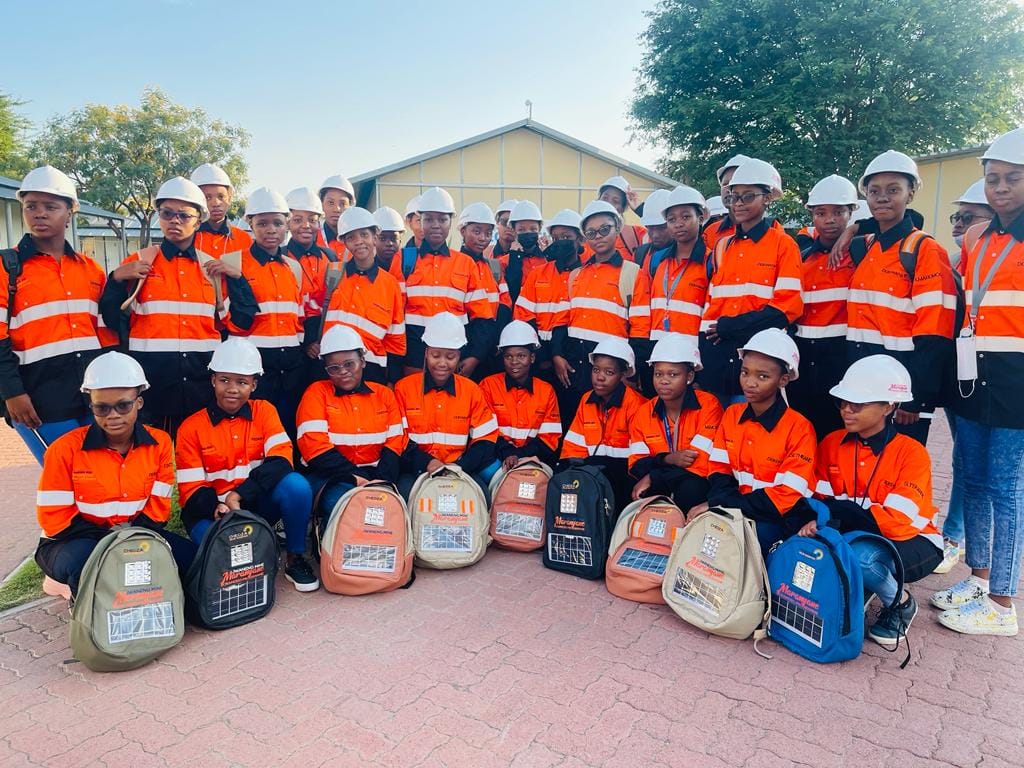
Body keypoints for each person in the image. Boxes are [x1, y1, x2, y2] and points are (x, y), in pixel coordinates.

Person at [932, 127, 1024, 636]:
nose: (1001, 188)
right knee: (974, 480)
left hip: (1017, 380)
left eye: (1012, 179)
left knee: (1007, 488)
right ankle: (979, 579)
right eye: (993, 179)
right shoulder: (976, 238)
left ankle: (1003, 603)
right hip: (972, 374)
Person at [100, 177, 257, 437]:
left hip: (202, 383)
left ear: (198, 220)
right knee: (157, 460)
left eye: (184, 215)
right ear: (159, 216)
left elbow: (240, 321)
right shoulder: (139, 262)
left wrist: (238, 279)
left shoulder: (212, 269)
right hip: (154, 384)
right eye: (167, 213)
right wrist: (116, 279)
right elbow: (111, 318)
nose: (175, 221)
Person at [805, 356, 942, 649]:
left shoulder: (911, 453)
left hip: (915, 541)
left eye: (858, 404)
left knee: (860, 557)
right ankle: (863, 585)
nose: (846, 410)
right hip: (857, 533)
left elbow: (895, 523)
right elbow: (818, 498)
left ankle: (901, 603)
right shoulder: (832, 443)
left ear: (889, 407)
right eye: (843, 402)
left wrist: (838, 516)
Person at [35, 352, 196, 596]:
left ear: (139, 403)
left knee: (194, 562)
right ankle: (64, 585)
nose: (113, 415)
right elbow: (55, 519)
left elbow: (158, 508)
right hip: (71, 541)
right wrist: (111, 542)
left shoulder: (160, 443)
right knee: (93, 568)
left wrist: (130, 540)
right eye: (102, 407)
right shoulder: (64, 450)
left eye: (123, 405)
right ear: (92, 406)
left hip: (136, 531)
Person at [175, 337, 317, 592]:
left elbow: (282, 460)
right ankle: (256, 547)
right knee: (226, 571)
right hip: (211, 512)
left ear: (254, 384)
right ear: (213, 380)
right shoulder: (190, 428)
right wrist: (219, 506)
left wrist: (238, 495)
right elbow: (190, 490)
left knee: (296, 486)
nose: (232, 389)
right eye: (224, 380)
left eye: (241, 382)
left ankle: (295, 557)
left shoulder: (264, 411)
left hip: (253, 502)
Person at [1, 166, 117, 463]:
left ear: (70, 212)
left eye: (51, 206)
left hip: (92, 398)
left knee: (100, 474)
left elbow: (104, 336)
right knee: (64, 479)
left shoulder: (90, 270)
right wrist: (12, 393)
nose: (39, 214)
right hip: (39, 400)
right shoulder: (6, 267)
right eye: (31, 206)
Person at [845, 150, 958, 445]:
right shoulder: (865, 247)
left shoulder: (925, 250)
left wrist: (915, 397)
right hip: (862, 375)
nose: (882, 198)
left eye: (893, 190)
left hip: (902, 385)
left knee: (897, 466)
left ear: (910, 194)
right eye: (874, 191)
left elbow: (935, 332)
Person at [699, 159, 803, 406]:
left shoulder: (783, 244)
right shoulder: (722, 246)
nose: (738, 204)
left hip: (758, 361)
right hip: (717, 359)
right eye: (734, 197)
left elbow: (786, 309)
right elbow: (711, 305)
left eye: (748, 197)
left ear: (767, 198)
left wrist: (733, 327)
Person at [706, 329, 816, 555]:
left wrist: (729, 506)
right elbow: (718, 469)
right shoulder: (731, 414)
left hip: (778, 519)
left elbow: (787, 495)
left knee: (736, 545)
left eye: (762, 376)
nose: (750, 383)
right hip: (737, 508)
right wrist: (722, 505)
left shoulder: (799, 427)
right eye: (745, 372)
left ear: (783, 380)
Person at [934, 179, 993, 574]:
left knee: (987, 468)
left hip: (994, 375)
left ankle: (957, 537)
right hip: (960, 373)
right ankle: (953, 535)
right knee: (963, 458)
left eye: (968, 217)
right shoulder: (955, 261)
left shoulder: (1001, 258)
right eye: (957, 216)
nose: (959, 224)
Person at [296, 325, 406, 529]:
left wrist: (381, 482)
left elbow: (395, 443)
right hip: (331, 478)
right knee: (350, 508)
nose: (343, 372)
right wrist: (357, 477)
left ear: (363, 361)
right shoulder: (316, 394)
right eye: (334, 368)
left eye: (349, 364)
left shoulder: (384, 395)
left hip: (377, 475)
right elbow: (315, 450)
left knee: (397, 506)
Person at [388, 187, 495, 377]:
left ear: (451, 222)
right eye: (429, 219)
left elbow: (482, 318)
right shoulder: (403, 259)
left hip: (454, 355)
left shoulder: (465, 263)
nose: (436, 225)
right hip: (414, 357)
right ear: (420, 221)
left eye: (442, 219)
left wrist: (474, 357)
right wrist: (396, 367)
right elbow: (394, 318)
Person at [393, 312, 499, 498]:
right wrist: (427, 463)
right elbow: (397, 438)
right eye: (435, 355)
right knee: (405, 498)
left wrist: (460, 466)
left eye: (450, 357)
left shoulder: (471, 391)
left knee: (483, 498)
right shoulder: (404, 389)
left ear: (459, 356)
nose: (442, 363)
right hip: (416, 470)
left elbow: (486, 439)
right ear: (426, 353)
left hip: (459, 469)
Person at [786, 175, 859, 438]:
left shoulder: (862, 251)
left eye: (839, 212)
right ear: (811, 215)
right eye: (821, 213)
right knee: (804, 433)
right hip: (804, 360)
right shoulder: (801, 256)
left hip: (840, 358)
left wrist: (855, 230)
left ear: (851, 212)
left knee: (839, 435)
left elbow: (910, 220)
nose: (829, 220)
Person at [228, 187, 304, 438]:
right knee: (255, 428)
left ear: (287, 225)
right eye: (262, 223)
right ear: (250, 224)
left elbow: (298, 317)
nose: (271, 230)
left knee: (288, 426)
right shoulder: (233, 262)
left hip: (292, 364)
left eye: (277, 223)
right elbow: (228, 318)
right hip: (255, 363)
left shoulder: (293, 267)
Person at [550, 200, 639, 414]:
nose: (598, 236)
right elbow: (562, 320)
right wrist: (557, 356)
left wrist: (631, 373)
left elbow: (640, 328)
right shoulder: (576, 275)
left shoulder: (633, 273)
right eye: (591, 232)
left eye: (604, 229)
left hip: (610, 369)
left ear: (617, 227)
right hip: (574, 367)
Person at [628, 334, 722, 512]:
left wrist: (654, 474)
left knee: (691, 489)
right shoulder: (644, 412)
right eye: (658, 374)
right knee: (638, 492)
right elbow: (637, 464)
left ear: (690, 376)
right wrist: (668, 459)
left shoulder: (709, 406)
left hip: (695, 485)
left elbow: (699, 464)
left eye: (673, 374)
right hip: (661, 480)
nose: (664, 380)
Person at [560, 337, 646, 510]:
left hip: (623, 480)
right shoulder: (586, 400)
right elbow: (572, 448)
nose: (600, 377)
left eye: (609, 372)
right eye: (596, 370)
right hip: (589, 476)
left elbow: (639, 462)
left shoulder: (638, 405)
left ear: (623, 375)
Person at [322, 207, 406, 383]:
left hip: (373, 371)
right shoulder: (333, 272)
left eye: (364, 235)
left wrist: (392, 381)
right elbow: (313, 313)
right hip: (334, 370)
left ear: (375, 236)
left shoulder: (390, 284)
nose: (359, 242)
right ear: (344, 242)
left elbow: (396, 340)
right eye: (351, 237)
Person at [514, 209, 583, 395]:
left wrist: (558, 353)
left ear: (580, 239)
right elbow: (522, 313)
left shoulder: (587, 275)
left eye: (566, 236)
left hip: (572, 359)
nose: (561, 242)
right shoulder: (538, 274)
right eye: (557, 237)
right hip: (539, 358)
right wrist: (544, 355)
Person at [479, 321, 561, 470]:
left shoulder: (546, 391)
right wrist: (508, 453)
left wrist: (520, 456)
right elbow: (485, 433)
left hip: (534, 460)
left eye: (521, 356)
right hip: (495, 460)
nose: (514, 362)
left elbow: (550, 438)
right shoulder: (488, 386)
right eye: (508, 356)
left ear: (532, 358)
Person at [284, 186, 338, 384]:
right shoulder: (281, 257)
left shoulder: (330, 256)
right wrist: (307, 343)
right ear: (287, 222)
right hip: (295, 343)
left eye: (312, 220)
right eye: (298, 220)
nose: (306, 226)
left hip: (326, 341)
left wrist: (322, 340)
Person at [456, 202, 507, 374]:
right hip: (462, 351)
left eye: (487, 233)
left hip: (491, 351)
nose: (483, 238)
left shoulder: (494, 268)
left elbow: (505, 307)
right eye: (476, 231)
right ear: (463, 231)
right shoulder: (453, 266)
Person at [190, 163, 252, 257]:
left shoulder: (244, 239)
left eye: (221, 196)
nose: (216, 203)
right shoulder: (186, 237)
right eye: (207, 197)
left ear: (229, 198)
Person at [502, 200, 548, 305]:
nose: (528, 233)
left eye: (533, 229)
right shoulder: (504, 262)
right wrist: (515, 261)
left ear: (540, 229)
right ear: (513, 230)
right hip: (516, 318)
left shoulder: (547, 260)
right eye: (521, 230)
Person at [702, 154, 750, 250]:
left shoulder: (772, 229)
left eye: (735, 182)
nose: (729, 189)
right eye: (725, 184)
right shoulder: (710, 233)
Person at [594, 176, 647, 262]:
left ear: (622, 209)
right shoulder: (585, 235)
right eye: (605, 198)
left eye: (615, 201)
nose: (608, 203)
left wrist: (640, 209)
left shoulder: (636, 234)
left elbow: (666, 235)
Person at [316, 175, 355, 259]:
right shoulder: (312, 238)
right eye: (330, 203)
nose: (336, 209)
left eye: (342, 204)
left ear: (350, 206)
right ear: (322, 205)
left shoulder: (358, 240)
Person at [373, 206, 405, 270]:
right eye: (382, 239)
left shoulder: (412, 268)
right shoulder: (366, 271)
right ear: (373, 241)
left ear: (400, 240)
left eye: (394, 238)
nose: (389, 243)